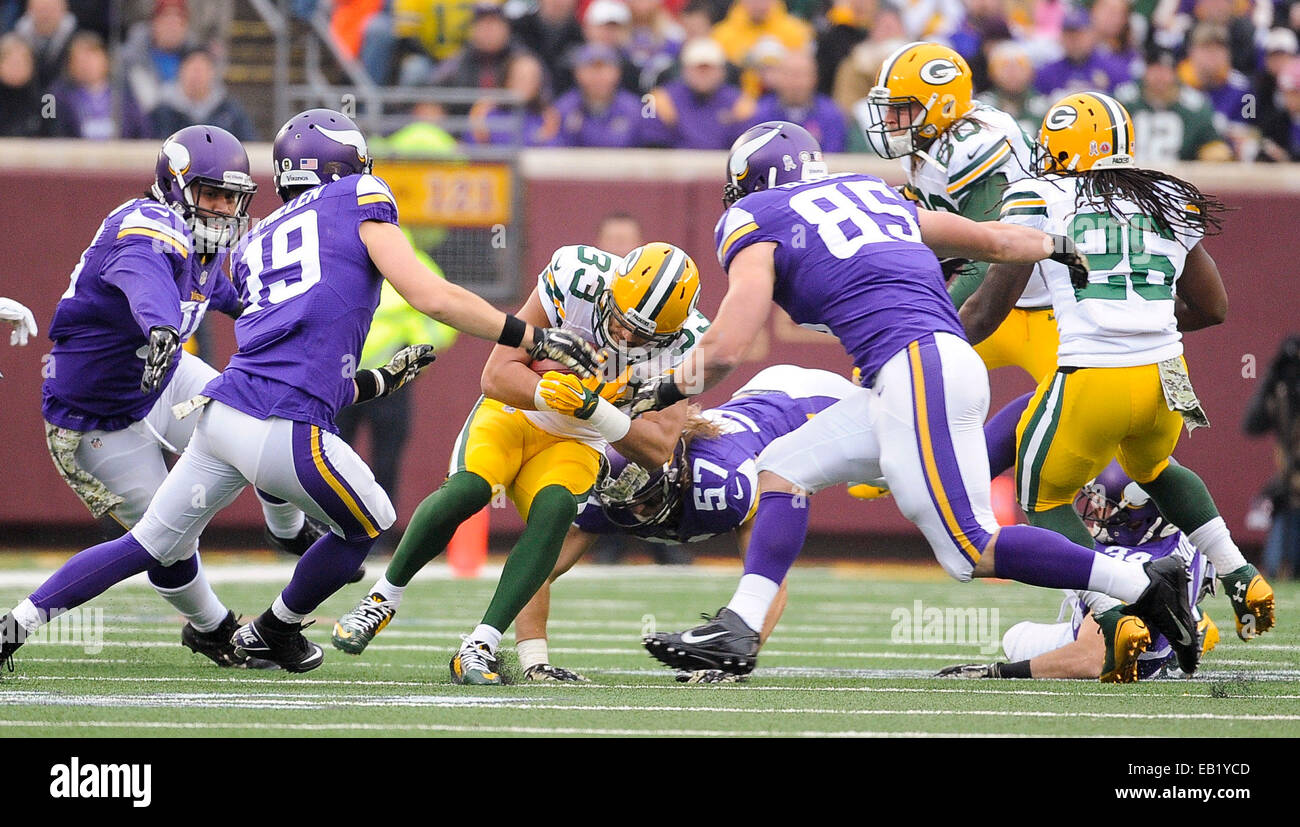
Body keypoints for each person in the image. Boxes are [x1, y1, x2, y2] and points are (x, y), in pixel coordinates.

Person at [0, 108, 603, 674]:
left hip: (226, 411)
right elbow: (431, 296)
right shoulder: (353, 201)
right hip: (251, 419)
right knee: (370, 526)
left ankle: (19, 623)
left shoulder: (258, 241)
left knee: (149, 544)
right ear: (349, 169)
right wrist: (534, 338)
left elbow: (292, 353)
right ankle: (273, 627)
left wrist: (374, 380)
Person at [631, 120, 1200, 682]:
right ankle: (741, 624)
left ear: (752, 180)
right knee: (781, 470)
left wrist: (666, 387)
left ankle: (1144, 582)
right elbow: (994, 239)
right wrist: (1054, 244)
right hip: (920, 369)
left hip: (917, 370)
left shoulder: (755, 216)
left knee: (971, 550)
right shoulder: (868, 192)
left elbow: (727, 346)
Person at [960, 92, 1275, 651]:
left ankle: (1112, 613)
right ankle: (1240, 574)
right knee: (1154, 467)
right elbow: (1213, 307)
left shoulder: (1041, 195)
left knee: (1042, 501)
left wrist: (930, 342)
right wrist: (1143, 317)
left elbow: (988, 308)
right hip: (1166, 377)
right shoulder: (1166, 195)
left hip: (1092, 375)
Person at [331, 241, 707, 685]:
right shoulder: (576, 276)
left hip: (579, 436)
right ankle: (381, 599)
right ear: (609, 292)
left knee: (556, 510)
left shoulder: (692, 342)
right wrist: (544, 392)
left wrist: (595, 410)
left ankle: (481, 644)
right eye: (623, 321)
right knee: (468, 490)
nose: (625, 337)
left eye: (642, 335)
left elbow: (660, 446)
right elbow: (495, 374)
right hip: (517, 411)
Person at [33, 125, 316, 668]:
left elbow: (228, 295)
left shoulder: (200, 245)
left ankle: (288, 531)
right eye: (211, 195)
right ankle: (213, 629)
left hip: (160, 377)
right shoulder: (147, 226)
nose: (222, 210)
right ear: (176, 186)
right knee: (167, 540)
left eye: (233, 199)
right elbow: (145, 279)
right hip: (96, 418)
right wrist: (163, 327)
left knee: (255, 421)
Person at [512, 364, 862, 682]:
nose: (638, 514)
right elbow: (534, 569)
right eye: (628, 503)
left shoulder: (721, 483)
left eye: (646, 500)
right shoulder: (609, 495)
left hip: (815, 404)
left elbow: (770, 579)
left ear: (677, 478)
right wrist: (534, 660)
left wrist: (729, 664)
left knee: (903, 477)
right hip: (759, 396)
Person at [861, 42, 1056, 388]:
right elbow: (923, 218)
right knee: (884, 379)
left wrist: (930, 322)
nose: (889, 120)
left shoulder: (973, 145)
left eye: (901, 109)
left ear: (943, 107)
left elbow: (987, 260)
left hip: (1045, 305)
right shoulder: (925, 138)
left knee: (1067, 424)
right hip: (999, 299)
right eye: (887, 108)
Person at [938, 461, 1221, 681]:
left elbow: (1091, 659)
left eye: (1104, 509)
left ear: (1139, 517)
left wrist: (1000, 672)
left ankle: (1179, 636)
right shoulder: (1187, 536)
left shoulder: (1120, 560)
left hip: (1131, 662)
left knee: (1015, 639)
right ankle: (1194, 622)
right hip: (1163, 636)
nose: (1095, 515)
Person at [1243, 335, 1300, 578]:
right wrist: (1271, 377)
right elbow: (1252, 425)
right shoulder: (1283, 389)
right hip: (1290, 490)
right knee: (1276, 568)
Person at [150, 48, 256, 141]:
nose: (196, 76)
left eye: (202, 70)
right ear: (180, 71)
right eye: (192, 69)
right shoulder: (162, 112)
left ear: (212, 73)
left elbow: (249, 144)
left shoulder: (229, 112)